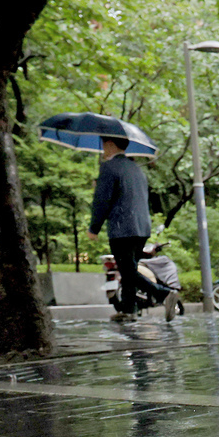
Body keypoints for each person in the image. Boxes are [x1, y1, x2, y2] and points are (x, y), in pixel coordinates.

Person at [88, 135, 155, 322]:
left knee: (127, 271)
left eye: (103, 144)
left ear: (110, 144)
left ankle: (163, 293)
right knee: (129, 269)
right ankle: (128, 309)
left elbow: (102, 200)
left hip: (122, 228)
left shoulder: (109, 167)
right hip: (141, 227)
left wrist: (94, 227)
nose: (102, 149)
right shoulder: (136, 169)